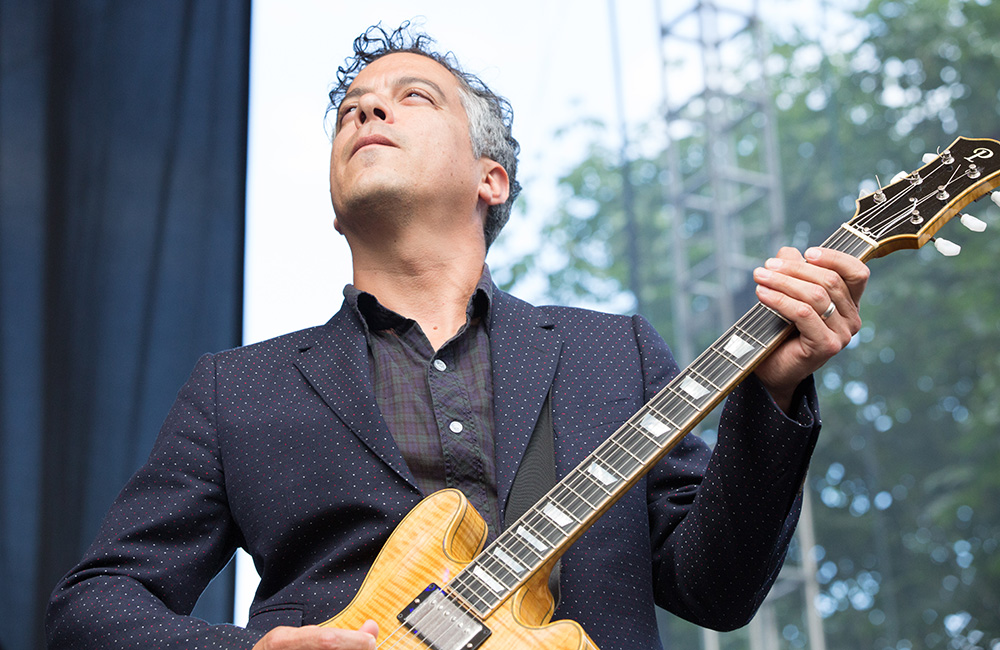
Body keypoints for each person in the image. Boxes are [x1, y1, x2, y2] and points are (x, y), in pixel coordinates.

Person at [46, 24, 869, 650]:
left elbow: (715, 590)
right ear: (336, 205)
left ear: (491, 178)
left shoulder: (611, 352)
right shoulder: (238, 387)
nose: (367, 108)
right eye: (350, 110)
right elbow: (95, 603)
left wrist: (774, 394)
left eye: (414, 97)